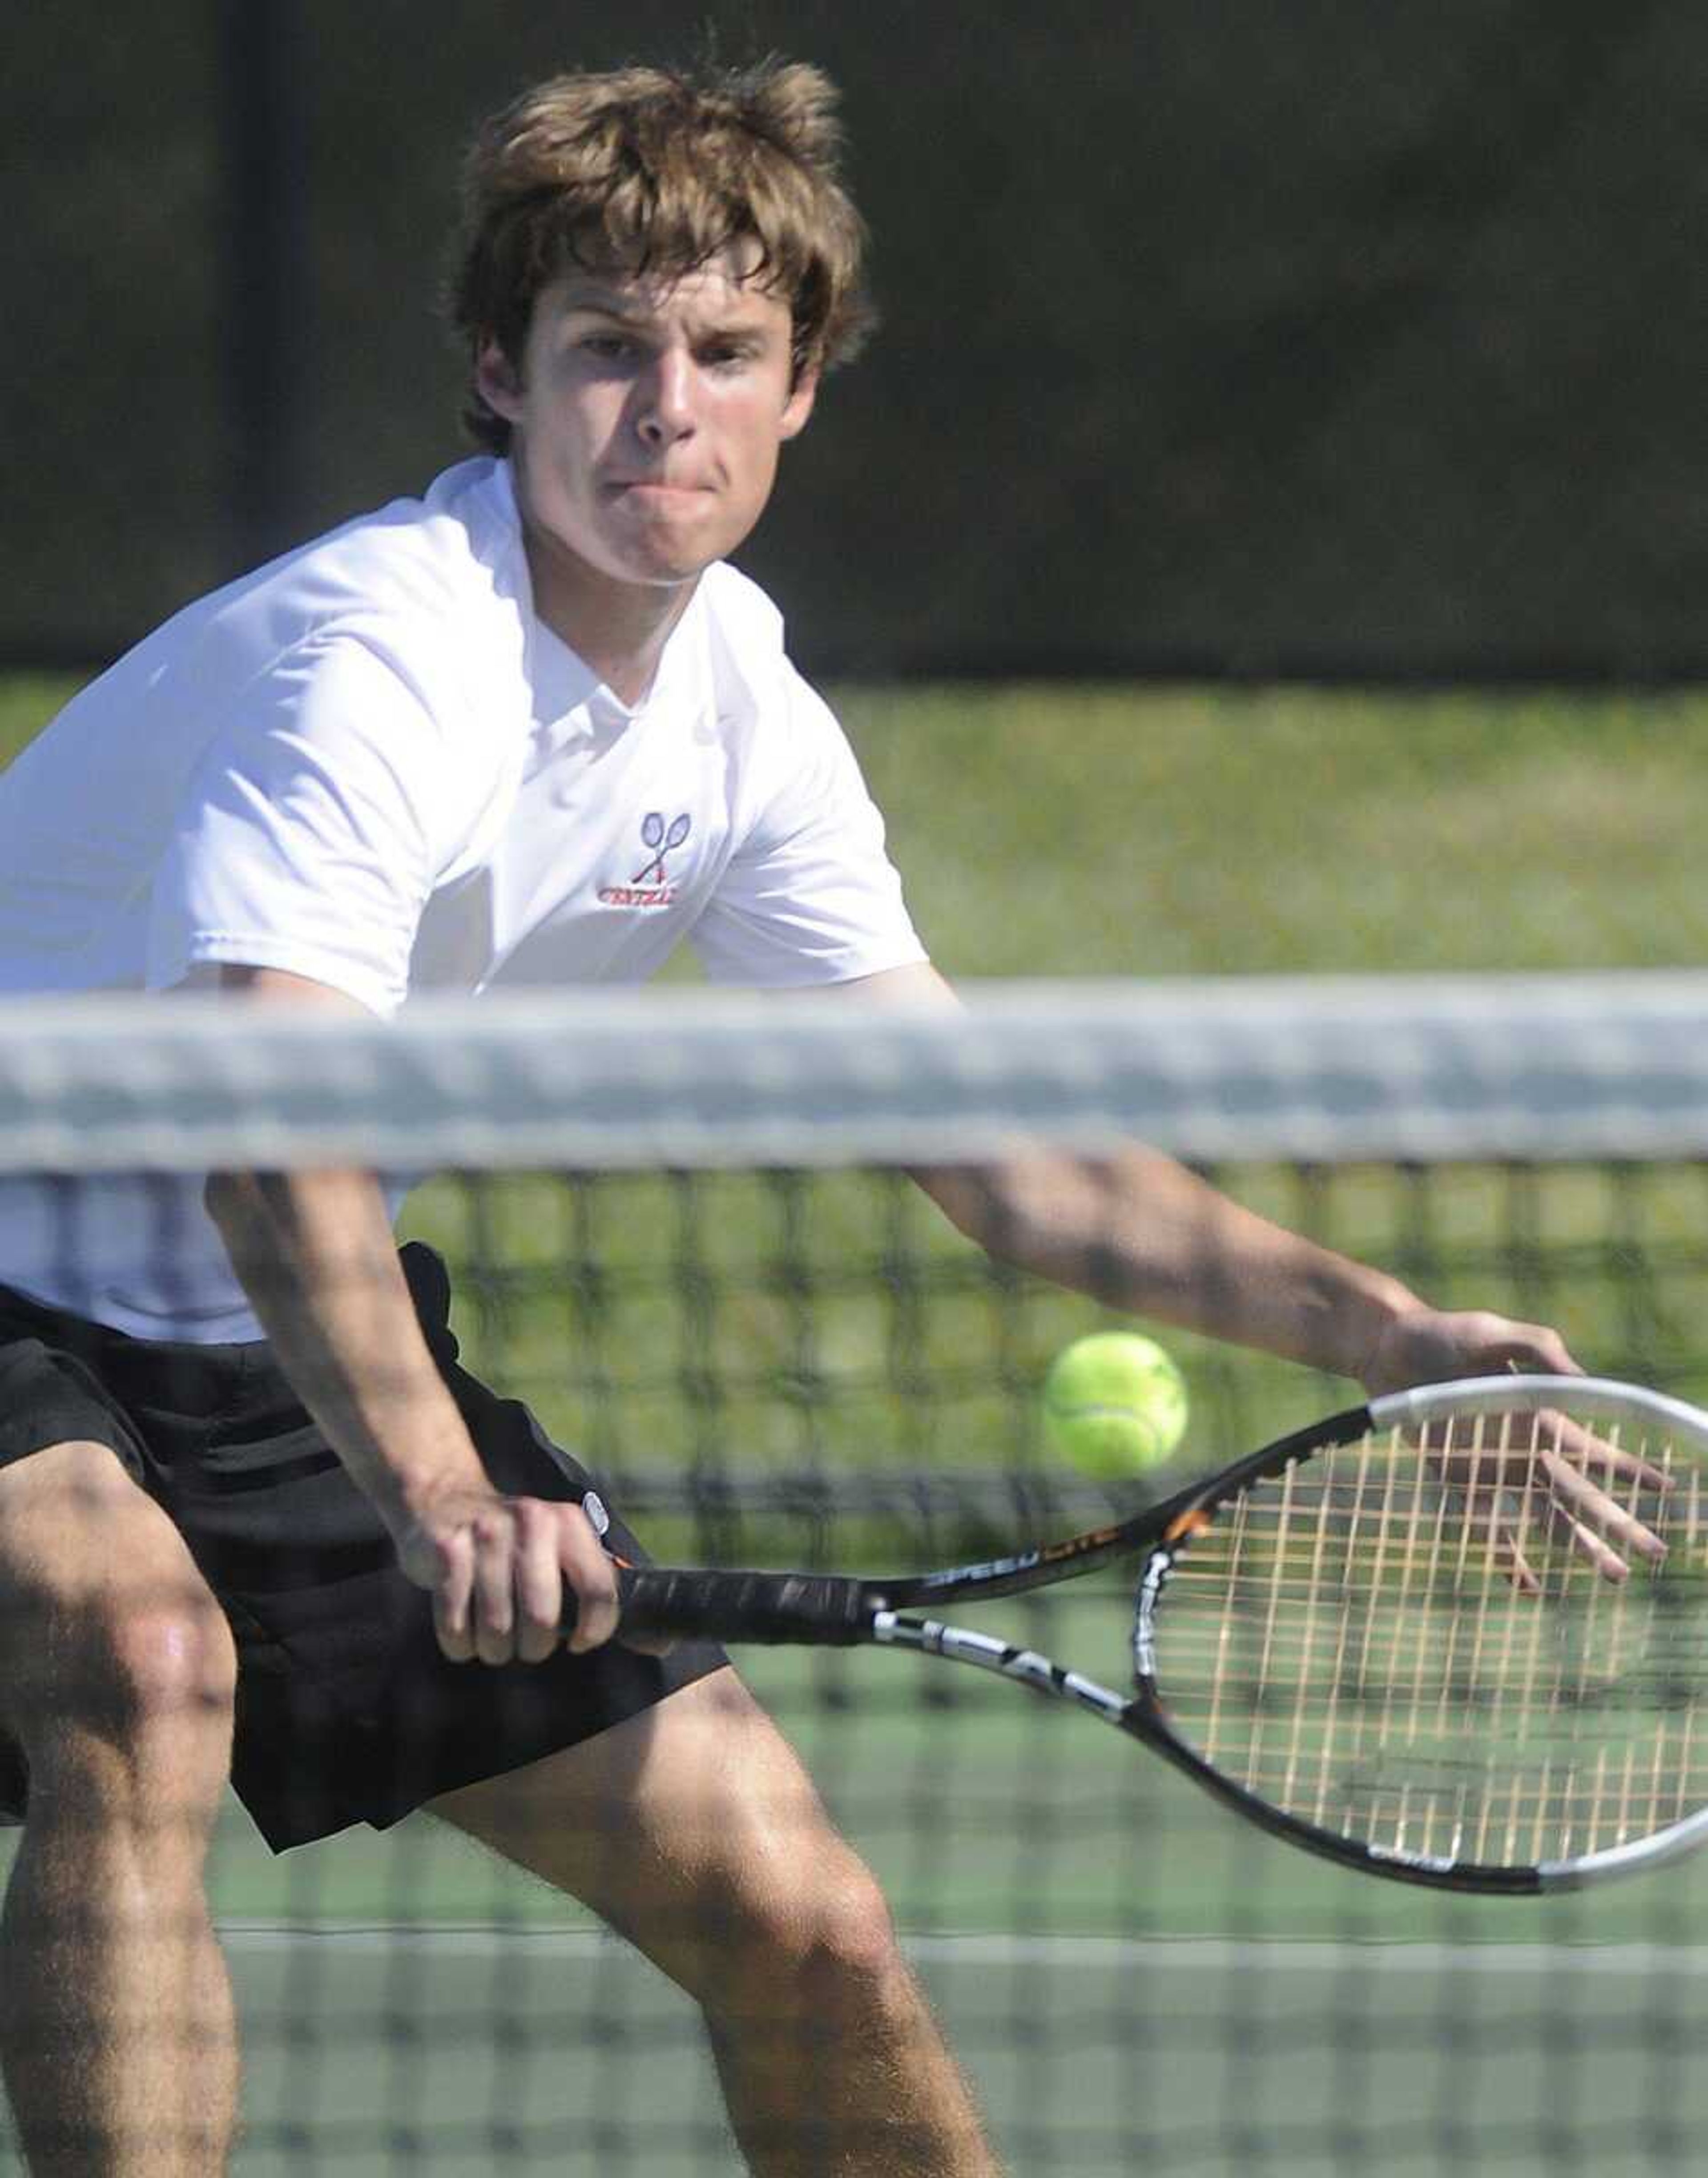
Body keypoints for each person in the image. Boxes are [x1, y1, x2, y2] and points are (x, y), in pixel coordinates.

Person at [0, 56, 1663, 2178]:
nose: (664, 411)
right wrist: (437, 1491)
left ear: (802, 393)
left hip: (262, 1346)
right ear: (500, 377)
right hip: (23, 1281)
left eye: (725, 354)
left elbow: (991, 1151)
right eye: (609, 349)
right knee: (138, 1662)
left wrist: (1389, 1337)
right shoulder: (378, 660)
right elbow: (267, 1132)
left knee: (813, 1928)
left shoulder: (740, 713)